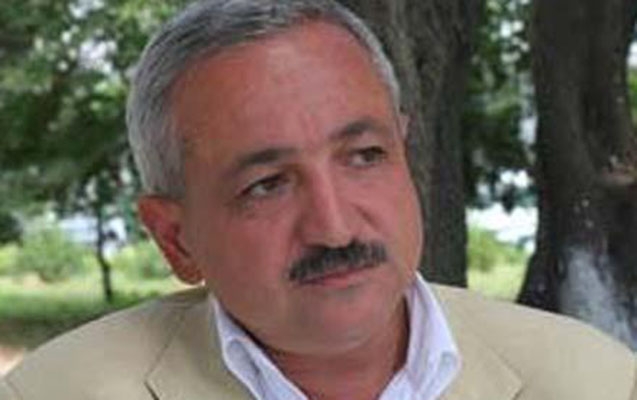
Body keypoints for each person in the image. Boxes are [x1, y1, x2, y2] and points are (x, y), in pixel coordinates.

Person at [1, 0, 635, 399]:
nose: (334, 228)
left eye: (364, 156)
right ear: (176, 238)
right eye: (266, 185)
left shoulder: (596, 381)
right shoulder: (54, 392)